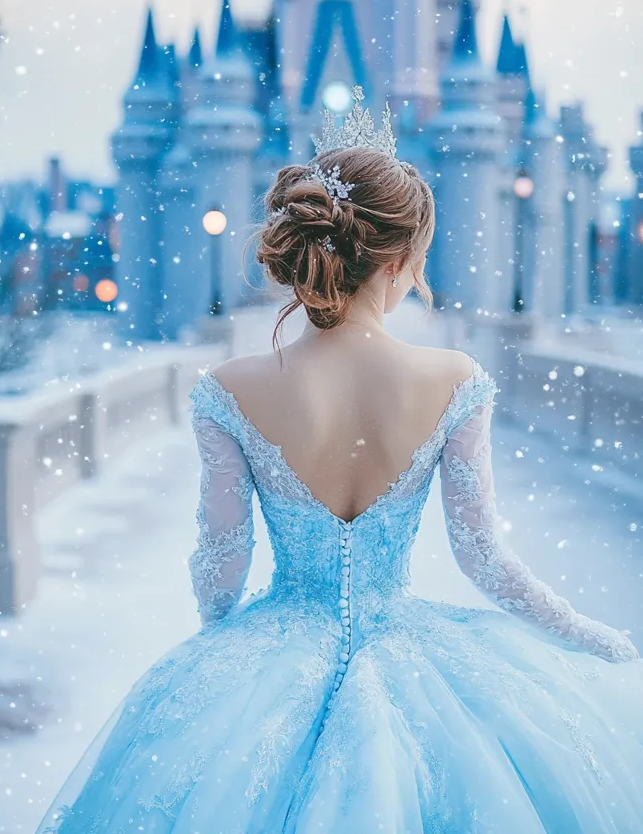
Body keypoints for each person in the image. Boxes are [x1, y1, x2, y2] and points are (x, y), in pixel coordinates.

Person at [38, 93, 641, 834]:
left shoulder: (230, 389)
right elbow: (484, 558)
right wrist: (580, 632)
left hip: (275, 643)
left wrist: (222, 652)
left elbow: (223, 562)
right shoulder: (453, 379)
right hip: (410, 648)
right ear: (399, 258)